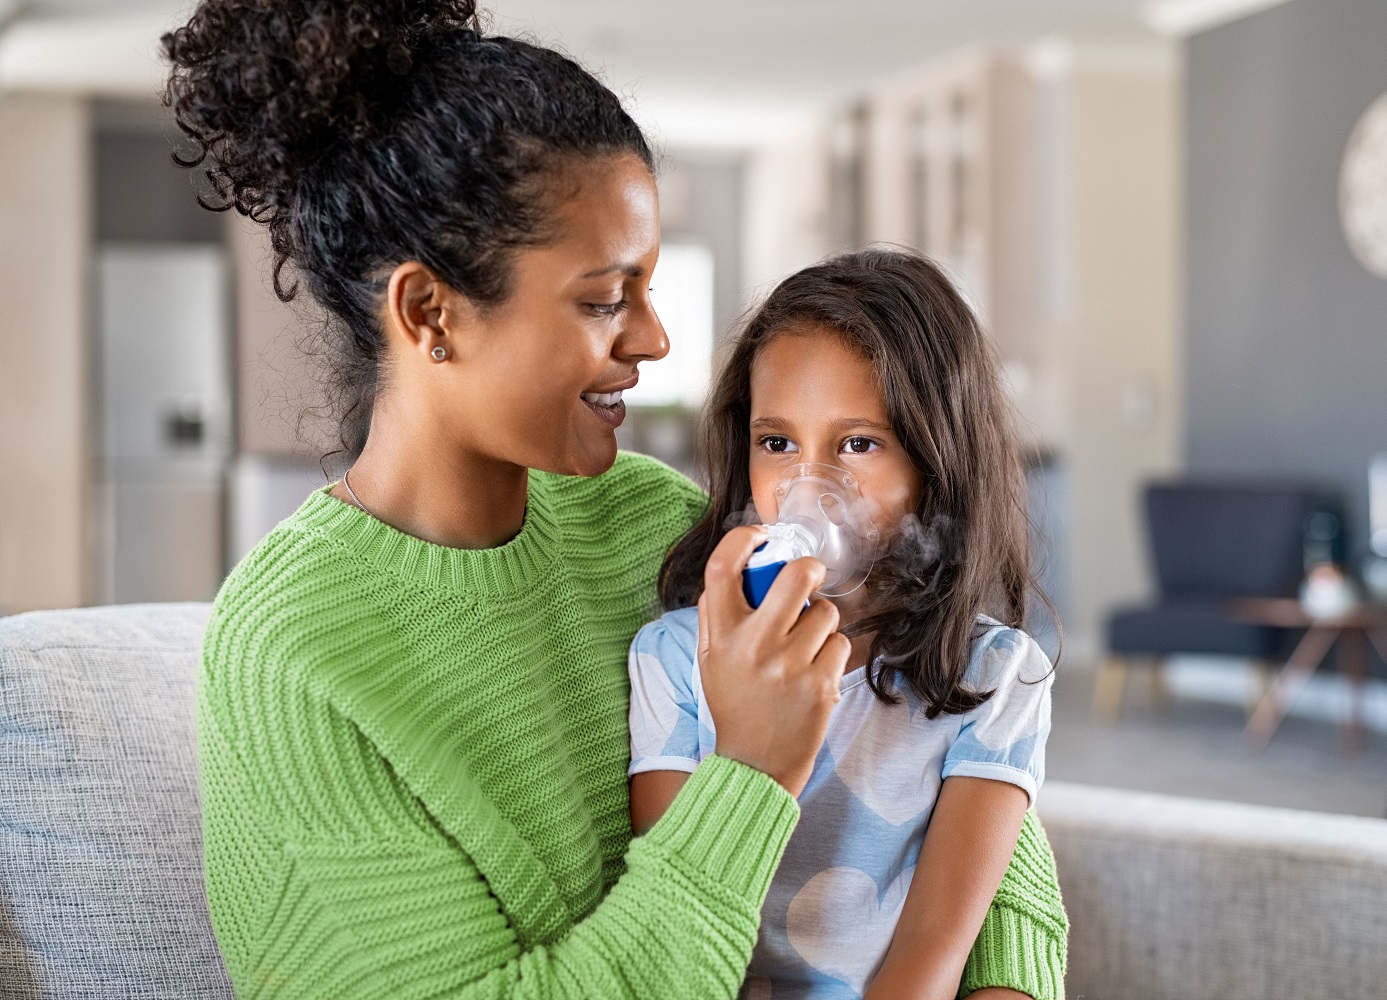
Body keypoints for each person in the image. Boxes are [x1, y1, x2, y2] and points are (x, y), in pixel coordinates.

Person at [162, 0, 1067, 995]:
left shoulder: (646, 522)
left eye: (648, 288)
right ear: (430, 312)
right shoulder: (293, 650)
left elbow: (944, 751)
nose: (654, 341)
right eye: (605, 299)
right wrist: (752, 776)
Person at [631, 249, 1066, 1000]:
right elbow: (677, 922)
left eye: (858, 444)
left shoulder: (996, 678)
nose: (808, 485)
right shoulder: (678, 657)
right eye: (777, 443)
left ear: (936, 461)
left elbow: (934, 948)